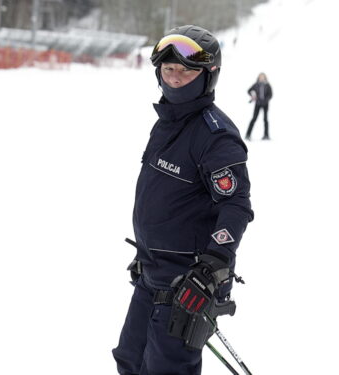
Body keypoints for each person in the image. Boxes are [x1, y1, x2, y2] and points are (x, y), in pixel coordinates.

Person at [112, 25, 254, 375]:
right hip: (151, 275)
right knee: (130, 361)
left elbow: (235, 206)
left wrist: (211, 267)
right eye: (169, 69)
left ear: (209, 75)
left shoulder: (215, 136)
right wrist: (149, 248)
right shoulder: (167, 124)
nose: (175, 78)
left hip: (185, 286)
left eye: (186, 71)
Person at [245, 72, 273, 140]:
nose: (262, 78)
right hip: (258, 104)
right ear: (259, 78)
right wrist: (253, 96)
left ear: (265, 78)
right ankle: (248, 135)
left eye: (263, 77)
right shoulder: (256, 84)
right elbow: (249, 90)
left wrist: (266, 100)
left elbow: (270, 94)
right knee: (254, 119)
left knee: (265, 119)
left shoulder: (267, 85)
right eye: (260, 77)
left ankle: (266, 135)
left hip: (265, 104)